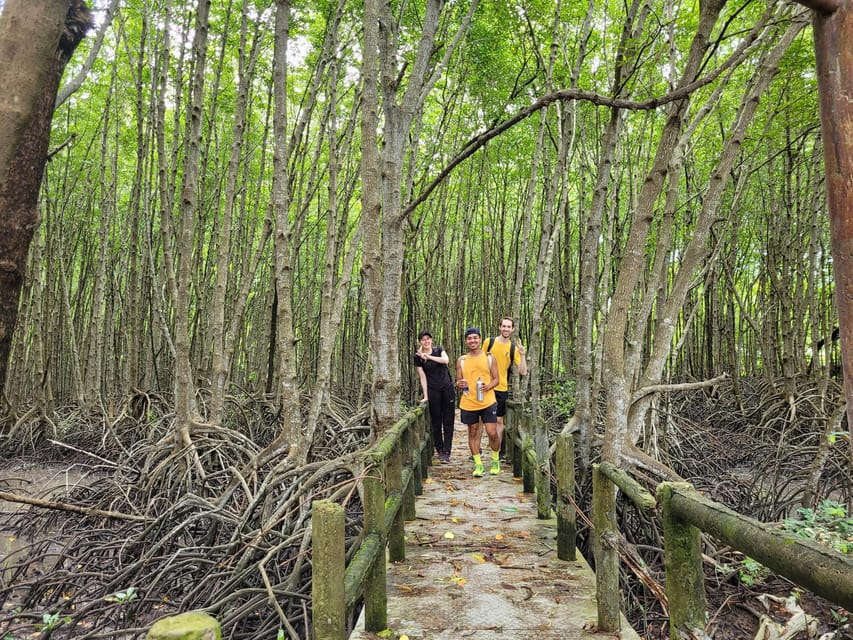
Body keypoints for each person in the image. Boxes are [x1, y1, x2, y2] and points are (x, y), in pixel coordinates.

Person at [456, 327, 500, 477]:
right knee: (473, 432)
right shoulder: (461, 360)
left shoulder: (489, 357)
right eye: (469, 338)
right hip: (469, 402)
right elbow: (459, 381)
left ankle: (495, 459)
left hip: (488, 401)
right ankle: (478, 464)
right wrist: (459, 384)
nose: (472, 341)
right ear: (466, 341)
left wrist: (488, 386)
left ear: (480, 339)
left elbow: (496, 379)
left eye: (475, 338)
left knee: (492, 432)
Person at [483, 316, 528, 450]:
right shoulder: (488, 342)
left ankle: (496, 451)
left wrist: (523, 354)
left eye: (509, 327)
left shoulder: (513, 348)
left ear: (513, 329)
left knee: (499, 420)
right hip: (486, 387)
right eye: (504, 326)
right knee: (481, 421)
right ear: (499, 327)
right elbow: (479, 360)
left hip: (501, 388)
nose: (506, 329)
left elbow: (523, 371)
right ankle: (478, 451)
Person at [414, 330, 455, 463]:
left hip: (447, 388)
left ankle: (447, 450)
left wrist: (429, 357)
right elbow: (422, 376)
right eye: (423, 339)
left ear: (431, 340)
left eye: (428, 339)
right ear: (420, 341)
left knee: (448, 421)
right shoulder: (418, 357)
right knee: (436, 422)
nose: (426, 342)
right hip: (433, 391)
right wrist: (426, 396)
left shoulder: (439, 350)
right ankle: (440, 449)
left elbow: (446, 360)